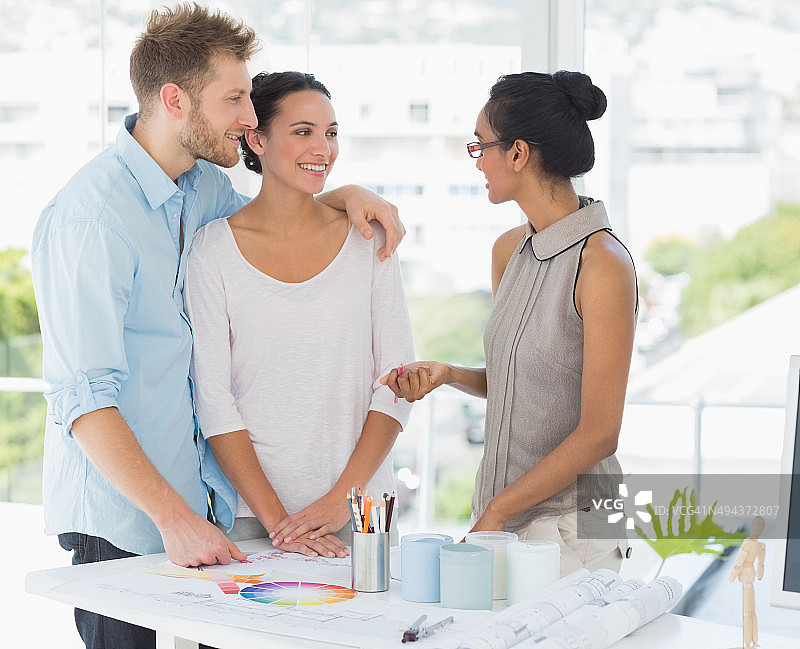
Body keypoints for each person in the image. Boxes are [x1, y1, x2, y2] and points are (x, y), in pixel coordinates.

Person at [31, 5, 403, 648]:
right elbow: (83, 398)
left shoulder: (202, 188)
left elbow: (278, 217)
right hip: (125, 523)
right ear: (174, 99)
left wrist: (348, 195)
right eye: (234, 99)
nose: (250, 118)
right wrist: (171, 517)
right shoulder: (90, 220)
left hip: (202, 514)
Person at [383, 70, 637, 575]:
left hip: (576, 528)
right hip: (505, 520)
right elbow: (524, 382)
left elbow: (600, 433)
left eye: (481, 146)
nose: (477, 160)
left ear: (518, 153)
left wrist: (497, 512)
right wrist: (450, 374)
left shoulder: (603, 264)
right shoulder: (509, 251)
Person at [184, 71, 414, 558]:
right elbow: (213, 399)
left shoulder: (368, 239)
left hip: (362, 512)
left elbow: (396, 382)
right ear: (257, 139)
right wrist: (280, 524)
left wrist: (340, 500)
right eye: (303, 131)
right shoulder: (212, 250)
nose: (323, 149)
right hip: (255, 518)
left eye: (331, 133)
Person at [729, 517, 766, 648]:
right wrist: (759, 575)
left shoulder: (749, 543)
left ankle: (748, 643)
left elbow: (739, 562)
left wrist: (733, 576)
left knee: (747, 612)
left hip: (746, 575)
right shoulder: (761, 546)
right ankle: (753, 641)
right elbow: (761, 565)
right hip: (751, 574)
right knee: (752, 611)